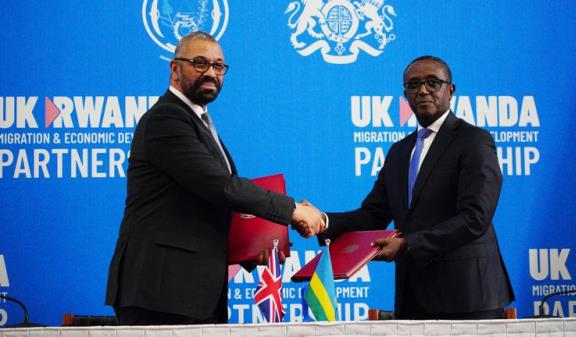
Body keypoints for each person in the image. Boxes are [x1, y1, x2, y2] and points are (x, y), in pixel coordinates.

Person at [105, 31, 324, 325]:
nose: (211, 73)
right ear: (174, 69)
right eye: (199, 63)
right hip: (161, 292)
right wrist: (292, 210)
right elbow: (220, 187)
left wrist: (255, 248)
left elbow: (206, 207)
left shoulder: (199, 121)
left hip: (196, 291)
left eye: (218, 66)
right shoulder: (166, 119)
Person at [313, 56, 515, 319]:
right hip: (414, 296)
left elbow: (475, 218)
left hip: (468, 295)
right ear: (405, 94)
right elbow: (372, 215)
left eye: (433, 82)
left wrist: (407, 244)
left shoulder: (474, 141)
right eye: (413, 84)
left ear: (450, 90)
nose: (423, 90)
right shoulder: (400, 151)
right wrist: (322, 221)